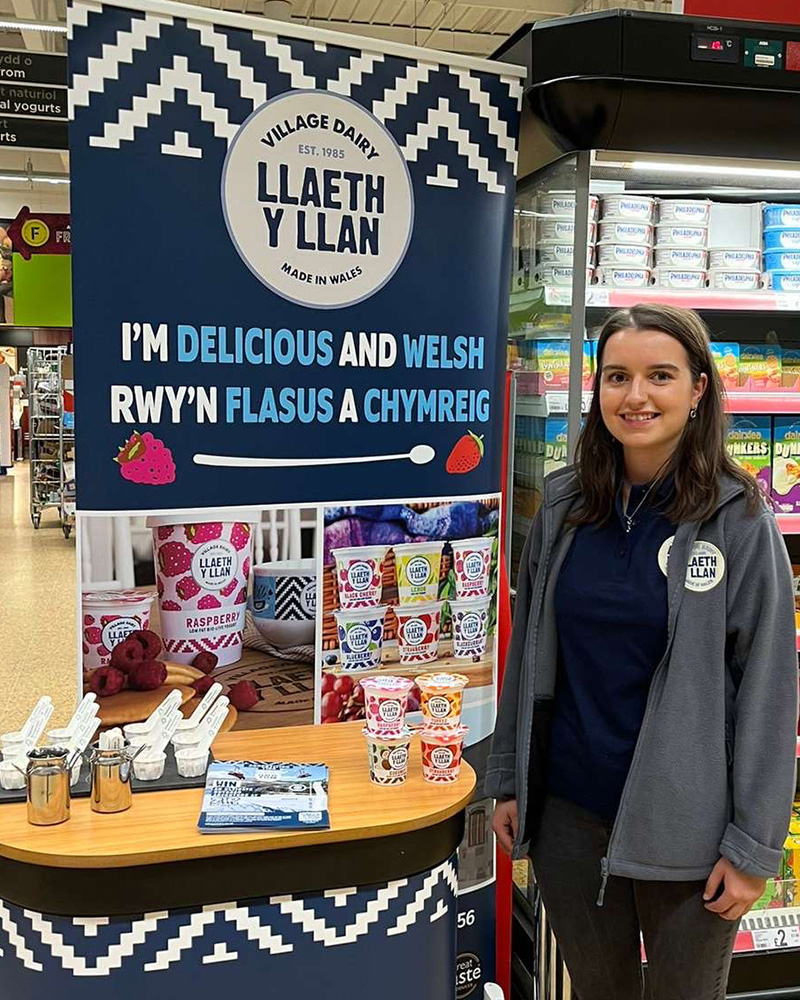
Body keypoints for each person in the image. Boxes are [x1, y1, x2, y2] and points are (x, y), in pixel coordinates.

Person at [487, 304, 798, 1000]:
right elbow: (529, 646)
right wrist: (508, 777)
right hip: (569, 816)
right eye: (618, 377)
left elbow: (770, 690)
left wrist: (752, 851)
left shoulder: (740, 520)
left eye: (661, 375)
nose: (636, 396)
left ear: (698, 391)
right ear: (596, 390)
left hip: (688, 832)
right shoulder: (567, 506)